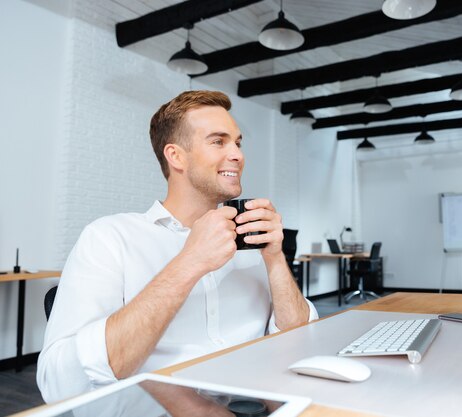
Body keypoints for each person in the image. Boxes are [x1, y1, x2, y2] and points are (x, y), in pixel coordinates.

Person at [37, 90, 318, 403]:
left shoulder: (247, 243)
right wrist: (190, 261)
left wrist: (275, 258)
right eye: (218, 141)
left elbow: (300, 338)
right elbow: (58, 384)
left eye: (237, 142)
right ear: (176, 156)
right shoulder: (109, 238)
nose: (238, 154)